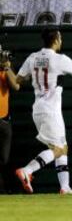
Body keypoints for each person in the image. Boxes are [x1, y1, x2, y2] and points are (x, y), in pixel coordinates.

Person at [15, 28, 72, 194]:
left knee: (62, 146)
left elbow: (19, 79)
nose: (61, 41)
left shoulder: (33, 57)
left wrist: (36, 76)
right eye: (60, 38)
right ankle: (27, 170)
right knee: (58, 149)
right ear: (55, 40)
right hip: (50, 111)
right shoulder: (60, 59)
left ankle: (65, 186)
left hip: (38, 108)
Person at [0, 56, 20, 193]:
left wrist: (7, 67)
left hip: (3, 121)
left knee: (4, 159)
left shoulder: (4, 70)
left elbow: (16, 86)